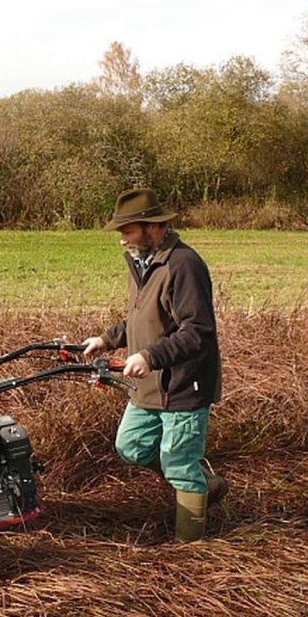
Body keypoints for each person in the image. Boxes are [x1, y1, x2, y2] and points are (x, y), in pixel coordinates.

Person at [83, 188, 226, 542]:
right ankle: (202, 483)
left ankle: (189, 548)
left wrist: (150, 357)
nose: (122, 240)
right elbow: (142, 318)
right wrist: (107, 339)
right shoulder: (143, 263)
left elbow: (198, 331)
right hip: (149, 385)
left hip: (183, 385)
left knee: (178, 463)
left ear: (153, 227)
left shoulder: (183, 265)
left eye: (127, 231)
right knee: (131, 445)